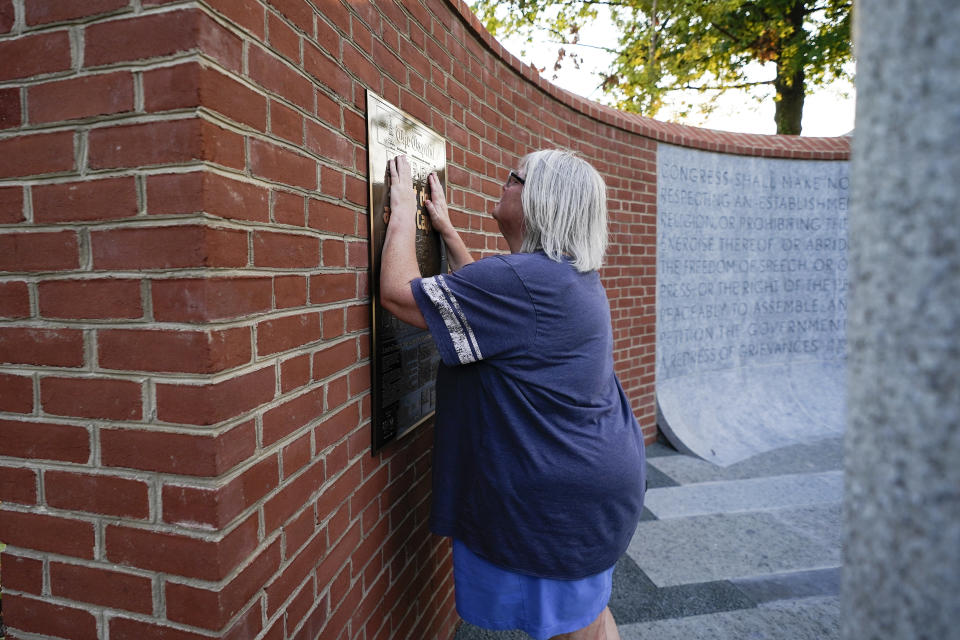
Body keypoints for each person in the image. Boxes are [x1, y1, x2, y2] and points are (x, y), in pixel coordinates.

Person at [380, 150, 646, 640]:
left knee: (576, 630)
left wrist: (397, 208)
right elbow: (487, 306)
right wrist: (448, 232)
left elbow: (400, 294)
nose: (502, 184)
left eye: (512, 178)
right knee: (586, 614)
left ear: (538, 199)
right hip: (593, 479)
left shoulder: (524, 282)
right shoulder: (561, 276)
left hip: (564, 496)